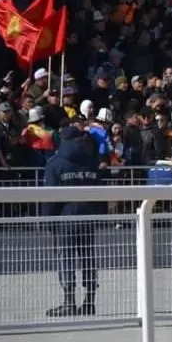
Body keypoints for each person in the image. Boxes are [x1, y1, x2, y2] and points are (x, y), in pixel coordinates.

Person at [40, 127, 105, 316]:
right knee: (88, 257)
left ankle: (69, 302)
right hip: (88, 216)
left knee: (65, 258)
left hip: (65, 218)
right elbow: (100, 192)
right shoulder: (92, 162)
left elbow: (50, 197)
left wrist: (48, 222)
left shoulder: (55, 163)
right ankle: (89, 301)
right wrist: (99, 215)